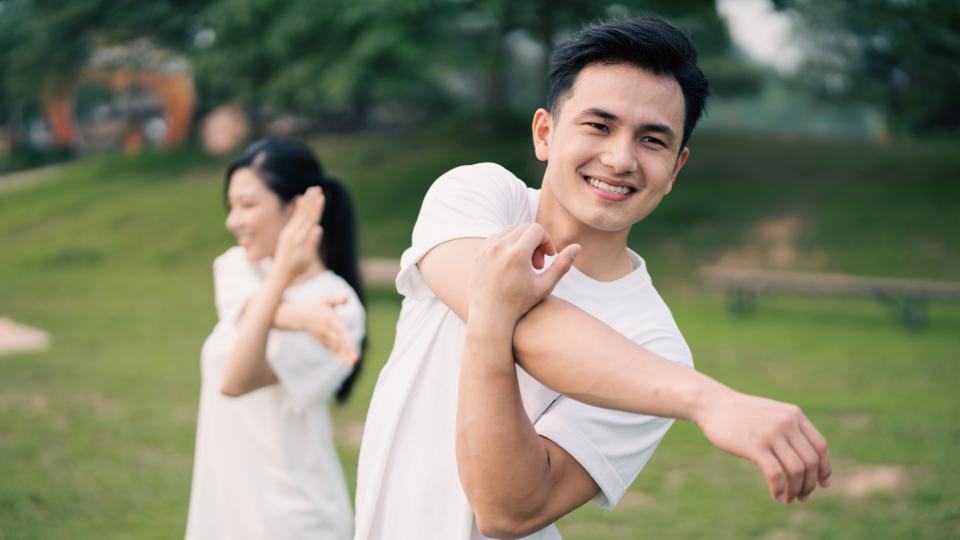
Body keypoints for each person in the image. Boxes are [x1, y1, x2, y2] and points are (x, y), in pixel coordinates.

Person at [354, 17, 830, 540]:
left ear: (675, 168)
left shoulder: (657, 350)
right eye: (598, 126)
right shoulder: (478, 197)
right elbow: (535, 331)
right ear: (545, 133)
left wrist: (491, 320)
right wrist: (707, 400)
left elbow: (507, 511)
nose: (620, 158)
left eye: (652, 140)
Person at [185, 138, 366, 540]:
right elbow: (254, 309)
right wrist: (299, 315)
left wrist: (283, 275)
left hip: (293, 520)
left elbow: (235, 380)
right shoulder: (237, 266)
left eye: (248, 205)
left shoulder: (340, 309)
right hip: (223, 512)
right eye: (231, 206)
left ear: (299, 207)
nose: (233, 221)